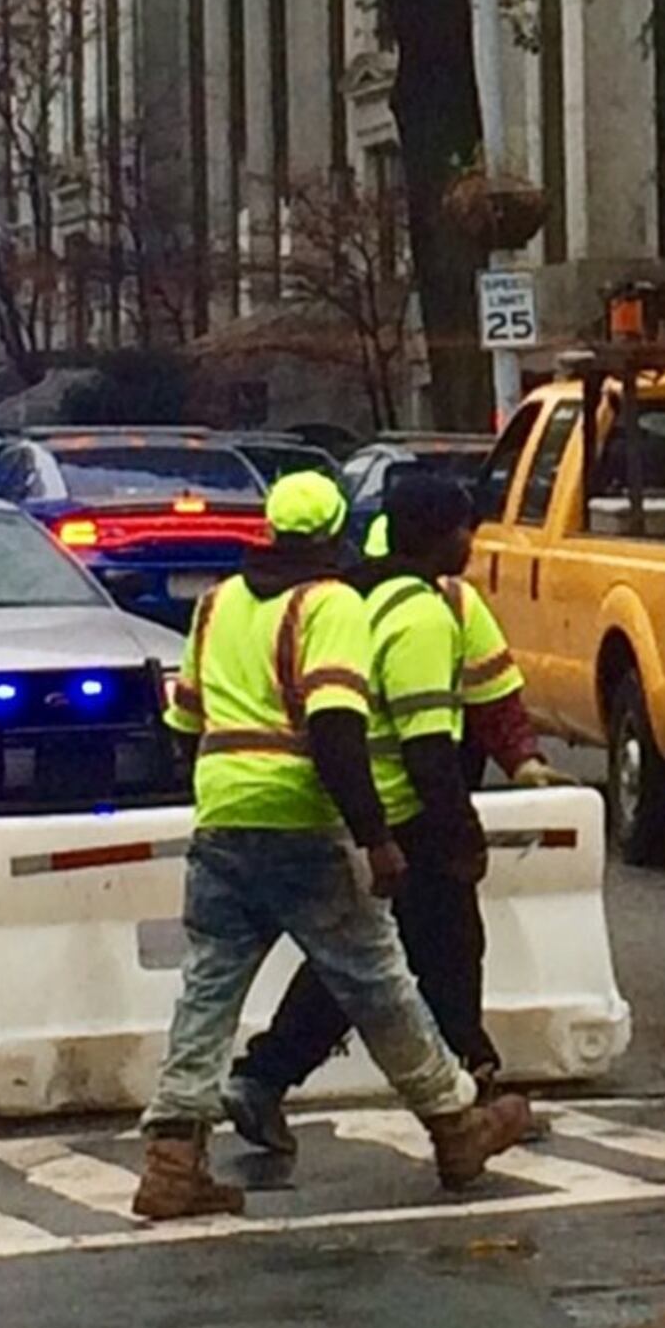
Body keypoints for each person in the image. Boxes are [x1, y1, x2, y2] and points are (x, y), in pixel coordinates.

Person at [129, 469, 533, 1219]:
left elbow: (183, 724)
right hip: (301, 822)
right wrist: (376, 836)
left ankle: (172, 1159)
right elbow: (336, 727)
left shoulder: (217, 603)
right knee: (380, 981)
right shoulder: (330, 602)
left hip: (222, 820)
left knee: (208, 993)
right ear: (336, 530)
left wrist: (219, 797)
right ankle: (456, 1123)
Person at [224, 474, 539, 1156]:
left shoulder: (352, 596)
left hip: (353, 808)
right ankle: (466, 1093)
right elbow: (428, 744)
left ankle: (272, 1076)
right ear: (442, 534)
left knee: (375, 960)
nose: (471, 542)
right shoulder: (422, 613)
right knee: (432, 954)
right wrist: (460, 832)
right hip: (406, 816)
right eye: (466, 530)